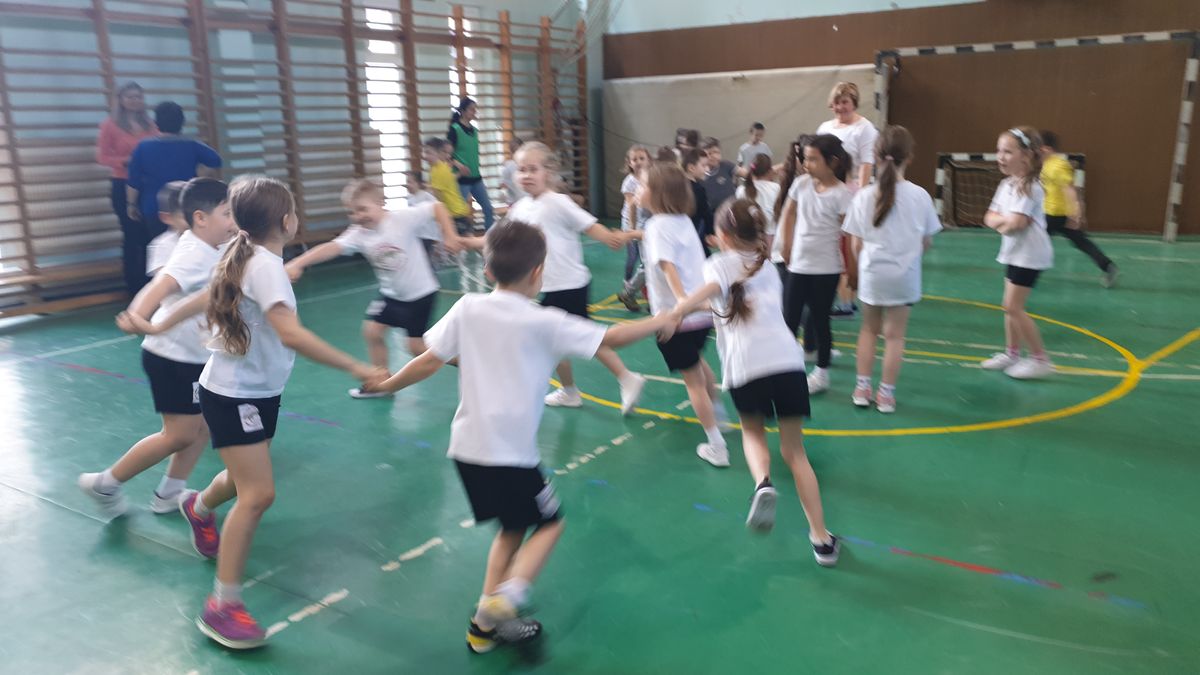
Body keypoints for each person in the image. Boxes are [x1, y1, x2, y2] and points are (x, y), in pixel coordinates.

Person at [371, 220, 675, 653]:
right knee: (550, 523)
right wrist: (660, 318)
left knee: (512, 528)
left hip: (467, 450)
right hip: (510, 455)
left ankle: (482, 628)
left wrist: (388, 385)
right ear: (538, 273)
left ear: (488, 270)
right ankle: (507, 597)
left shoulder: (467, 308)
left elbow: (427, 360)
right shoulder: (545, 321)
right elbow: (613, 336)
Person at [119, 177, 386, 649]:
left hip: (254, 391)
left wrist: (161, 322)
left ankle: (198, 506)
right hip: (235, 394)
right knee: (258, 494)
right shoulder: (263, 266)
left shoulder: (244, 255)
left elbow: (207, 296)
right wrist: (357, 365)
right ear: (287, 221)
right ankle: (222, 606)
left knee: (244, 477)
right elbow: (292, 334)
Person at [665, 199, 839, 565]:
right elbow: (732, 300)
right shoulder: (768, 267)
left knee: (753, 434)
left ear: (724, 237)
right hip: (788, 364)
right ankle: (822, 540)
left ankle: (762, 482)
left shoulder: (718, 264)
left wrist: (679, 308)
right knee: (795, 453)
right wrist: (697, 305)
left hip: (747, 368)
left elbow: (714, 289)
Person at [84, 178, 237, 519]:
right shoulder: (194, 254)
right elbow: (160, 285)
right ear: (201, 218)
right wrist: (136, 315)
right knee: (178, 435)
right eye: (227, 214)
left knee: (201, 426)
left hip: (195, 355)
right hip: (173, 358)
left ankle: (168, 493)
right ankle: (105, 483)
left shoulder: (210, 243)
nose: (232, 221)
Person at [284, 180, 474, 397]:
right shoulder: (358, 233)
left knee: (415, 347)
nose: (358, 216)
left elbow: (436, 207)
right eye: (352, 212)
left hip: (420, 294)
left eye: (363, 209)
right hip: (391, 295)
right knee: (372, 332)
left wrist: (449, 235)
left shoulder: (401, 219)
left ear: (381, 203)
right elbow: (331, 248)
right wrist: (298, 263)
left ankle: (467, 361)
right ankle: (380, 381)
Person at [506, 142, 646, 414]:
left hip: (568, 285)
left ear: (548, 172)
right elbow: (503, 236)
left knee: (580, 339)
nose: (526, 175)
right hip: (548, 286)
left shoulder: (557, 202)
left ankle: (622, 378)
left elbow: (589, 225)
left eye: (533, 169)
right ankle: (573, 390)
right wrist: (469, 242)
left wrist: (611, 238)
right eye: (521, 169)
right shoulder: (520, 207)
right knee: (562, 340)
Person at [842, 126, 941, 413]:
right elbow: (926, 242)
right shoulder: (921, 196)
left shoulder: (863, 196)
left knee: (868, 330)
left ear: (875, 156)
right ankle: (886, 395)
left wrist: (861, 267)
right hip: (904, 277)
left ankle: (862, 388)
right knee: (894, 336)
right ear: (909, 157)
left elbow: (855, 244)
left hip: (873, 274)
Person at [639, 161, 732, 467]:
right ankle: (719, 415)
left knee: (693, 382)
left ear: (657, 194)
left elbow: (667, 266)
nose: (638, 190)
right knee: (699, 366)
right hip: (701, 318)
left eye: (643, 186)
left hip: (679, 317)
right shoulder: (683, 221)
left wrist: (681, 304)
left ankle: (716, 445)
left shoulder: (656, 226)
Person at [779, 135, 853, 395]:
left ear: (832, 162)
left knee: (821, 320)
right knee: (789, 319)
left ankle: (822, 373)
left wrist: (850, 270)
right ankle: (786, 367)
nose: (806, 164)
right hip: (798, 266)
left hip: (826, 269)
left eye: (812, 159)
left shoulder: (842, 194)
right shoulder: (801, 184)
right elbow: (789, 213)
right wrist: (786, 244)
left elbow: (849, 235)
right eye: (805, 158)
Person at [981, 127, 1055, 380]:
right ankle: (1012, 353)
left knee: (1013, 307)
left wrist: (1003, 222)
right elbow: (989, 217)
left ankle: (1040, 359)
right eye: (999, 151)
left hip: (1030, 255)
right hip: (1014, 252)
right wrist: (1003, 222)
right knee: (1009, 307)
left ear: (1025, 156)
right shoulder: (1007, 185)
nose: (1000, 157)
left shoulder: (1030, 187)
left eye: (1007, 152)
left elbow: (1016, 224)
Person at [126, 102, 222, 285]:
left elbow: (133, 181)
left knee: (161, 250)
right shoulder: (191, 144)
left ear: (156, 123)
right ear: (182, 122)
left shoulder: (143, 147)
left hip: (154, 207)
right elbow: (215, 160)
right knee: (191, 248)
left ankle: (161, 289)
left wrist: (131, 204)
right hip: (186, 206)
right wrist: (202, 177)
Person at [97, 82, 159, 294]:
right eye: (130, 97)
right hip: (123, 184)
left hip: (148, 185)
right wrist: (128, 161)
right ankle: (134, 287)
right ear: (121, 100)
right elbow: (102, 157)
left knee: (150, 235)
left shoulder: (150, 124)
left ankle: (153, 286)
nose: (135, 101)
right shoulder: (110, 125)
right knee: (132, 236)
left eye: (138, 97)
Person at [1038, 130, 1118, 287]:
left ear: (1046, 149)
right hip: (1052, 213)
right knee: (1081, 242)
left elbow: (1069, 189)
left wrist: (1075, 213)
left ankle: (1029, 272)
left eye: (1037, 148)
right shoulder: (1046, 164)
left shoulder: (1058, 165)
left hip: (1056, 215)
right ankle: (1108, 267)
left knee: (1037, 243)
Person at [447, 97, 495, 230]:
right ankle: (460, 239)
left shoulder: (475, 130)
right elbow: (447, 155)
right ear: (463, 111)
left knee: (488, 209)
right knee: (459, 214)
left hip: (476, 178)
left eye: (475, 109)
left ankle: (490, 238)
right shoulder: (454, 129)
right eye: (471, 109)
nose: (474, 112)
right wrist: (459, 165)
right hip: (462, 180)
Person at [617, 144, 652, 312]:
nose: (638, 162)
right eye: (634, 159)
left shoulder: (651, 177)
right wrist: (631, 230)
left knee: (649, 261)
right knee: (637, 258)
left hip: (647, 225)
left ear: (648, 160)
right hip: (634, 224)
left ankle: (639, 291)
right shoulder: (630, 182)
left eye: (642, 158)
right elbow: (631, 205)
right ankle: (629, 288)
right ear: (629, 162)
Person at [423, 138, 472, 233]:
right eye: (425, 152)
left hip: (455, 215)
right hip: (454, 213)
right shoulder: (436, 168)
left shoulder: (440, 170)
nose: (425, 156)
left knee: (460, 241)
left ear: (438, 153)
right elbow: (447, 183)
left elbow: (437, 197)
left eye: (428, 153)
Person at [735, 153, 781, 252]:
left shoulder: (741, 190)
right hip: (772, 237)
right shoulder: (776, 188)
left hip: (750, 239)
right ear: (770, 171)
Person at [145, 181, 189, 277]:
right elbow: (163, 279)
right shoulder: (162, 246)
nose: (195, 222)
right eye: (186, 218)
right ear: (167, 218)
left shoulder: (211, 238)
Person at [681, 148, 713, 256]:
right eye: (703, 166)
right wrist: (711, 232)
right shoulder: (698, 189)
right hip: (694, 233)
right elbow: (706, 214)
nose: (707, 169)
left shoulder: (676, 186)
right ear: (691, 168)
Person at [700, 136, 737, 210]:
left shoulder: (726, 165)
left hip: (733, 210)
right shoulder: (700, 174)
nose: (714, 156)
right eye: (709, 153)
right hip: (713, 213)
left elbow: (747, 174)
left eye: (716, 152)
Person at [499, 136, 527, 205]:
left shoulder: (528, 164)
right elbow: (501, 184)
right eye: (514, 150)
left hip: (525, 201)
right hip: (515, 202)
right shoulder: (509, 167)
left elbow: (501, 184)